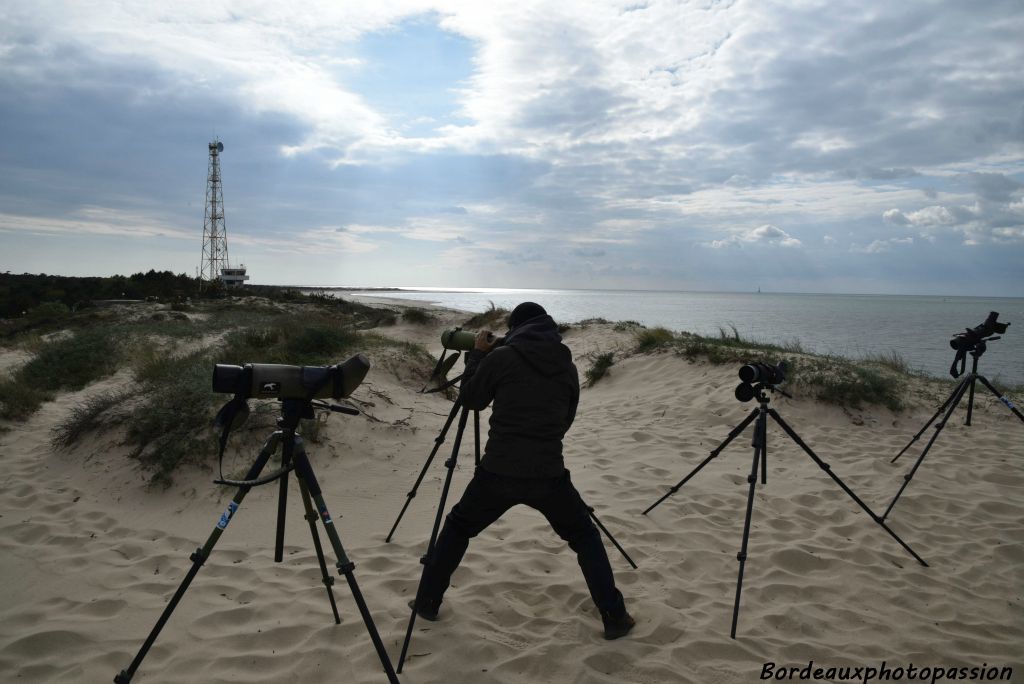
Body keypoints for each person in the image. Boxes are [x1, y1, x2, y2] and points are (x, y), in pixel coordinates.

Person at [411, 302, 635, 639]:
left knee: (459, 527)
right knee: (584, 537)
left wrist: (477, 356)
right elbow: (566, 420)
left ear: (516, 328)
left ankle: (427, 601)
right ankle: (614, 616)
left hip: (498, 471)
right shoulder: (566, 365)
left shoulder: (501, 358)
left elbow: (471, 399)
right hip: (549, 474)